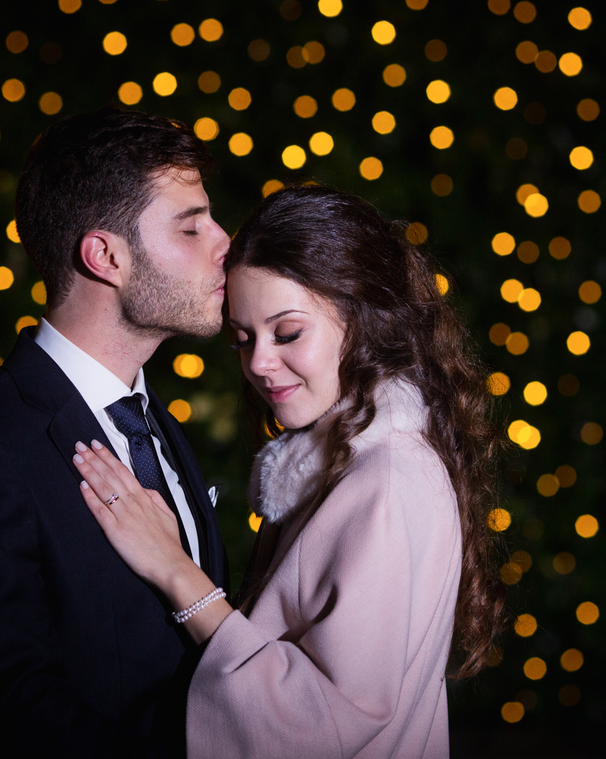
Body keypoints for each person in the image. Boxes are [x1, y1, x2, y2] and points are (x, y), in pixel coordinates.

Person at [73, 185, 507, 758]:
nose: (257, 362)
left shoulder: (390, 480)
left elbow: (319, 729)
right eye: (244, 337)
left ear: (363, 318)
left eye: (289, 332)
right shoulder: (337, 467)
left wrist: (177, 572)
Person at [0, 107, 230, 757]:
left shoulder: (157, 424)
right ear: (105, 255)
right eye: (191, 226)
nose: (224, 240)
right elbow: (8, 710)